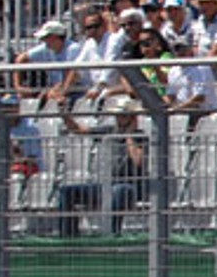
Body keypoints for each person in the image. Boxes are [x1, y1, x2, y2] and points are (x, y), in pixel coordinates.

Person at [54, 94, 147, 235]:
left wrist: (129, 135)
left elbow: (137, 160)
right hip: (105, 185)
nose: (119, 119)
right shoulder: (109, 131)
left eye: (124, 116)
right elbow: (78, 130)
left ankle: (112, 232)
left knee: (119, 191)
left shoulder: (140, 137)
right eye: (118, 116)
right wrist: (64, 112)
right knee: (67, 192)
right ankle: (68, 235)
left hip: (130, 187)